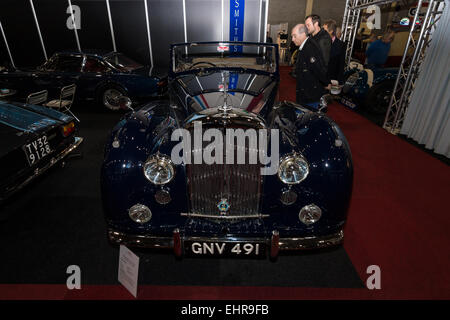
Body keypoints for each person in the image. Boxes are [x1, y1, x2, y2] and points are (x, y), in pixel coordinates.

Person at [291, 24, 328, 109]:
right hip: (305, 92)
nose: (292, 39)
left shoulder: (310, 47)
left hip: (311, 96)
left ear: (303, 34)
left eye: (294, 36)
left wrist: (326, 83)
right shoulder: (305, 46)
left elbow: (319, 69)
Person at [323, 19, 345, 84]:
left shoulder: (341, 45)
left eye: (324, 30)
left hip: (332, 79)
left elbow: (341, 64)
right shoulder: (319, 42)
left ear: (331, 31)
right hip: (320, 78)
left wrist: (339, 81)